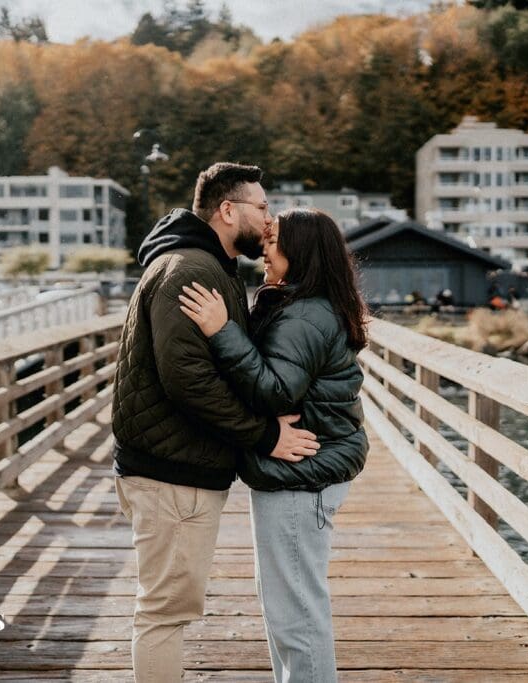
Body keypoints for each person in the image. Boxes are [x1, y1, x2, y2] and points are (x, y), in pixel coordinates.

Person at [112, 162, 320, 683]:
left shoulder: (211, 266)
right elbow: (188, 381)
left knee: (166, 608)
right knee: (164, 613)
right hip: (171, 474)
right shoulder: (192, 270)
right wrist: (266, 435)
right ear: (228, 211)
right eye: (262, 207)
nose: (269, 219)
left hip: (176, 468)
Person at [179, 208, 370, 683]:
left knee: (296, 616)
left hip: (301, 479)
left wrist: (221, 331)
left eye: (275, 239)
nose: (265, 246)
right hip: (300, 476)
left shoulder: (305, 314)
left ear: (300, 251)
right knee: (288, 609)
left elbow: (275, 390)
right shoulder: (302, 304)